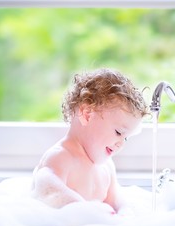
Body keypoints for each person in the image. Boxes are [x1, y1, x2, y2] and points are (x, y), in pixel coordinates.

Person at [31, 68, 149, 212]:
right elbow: (48, 191)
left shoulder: (107, 167)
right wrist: (87, 212)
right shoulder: (61, 157)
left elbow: (116, 202)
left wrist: (125, 213)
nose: (121, 143)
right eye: (118, 132)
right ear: (87, 115)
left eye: (126, 138)